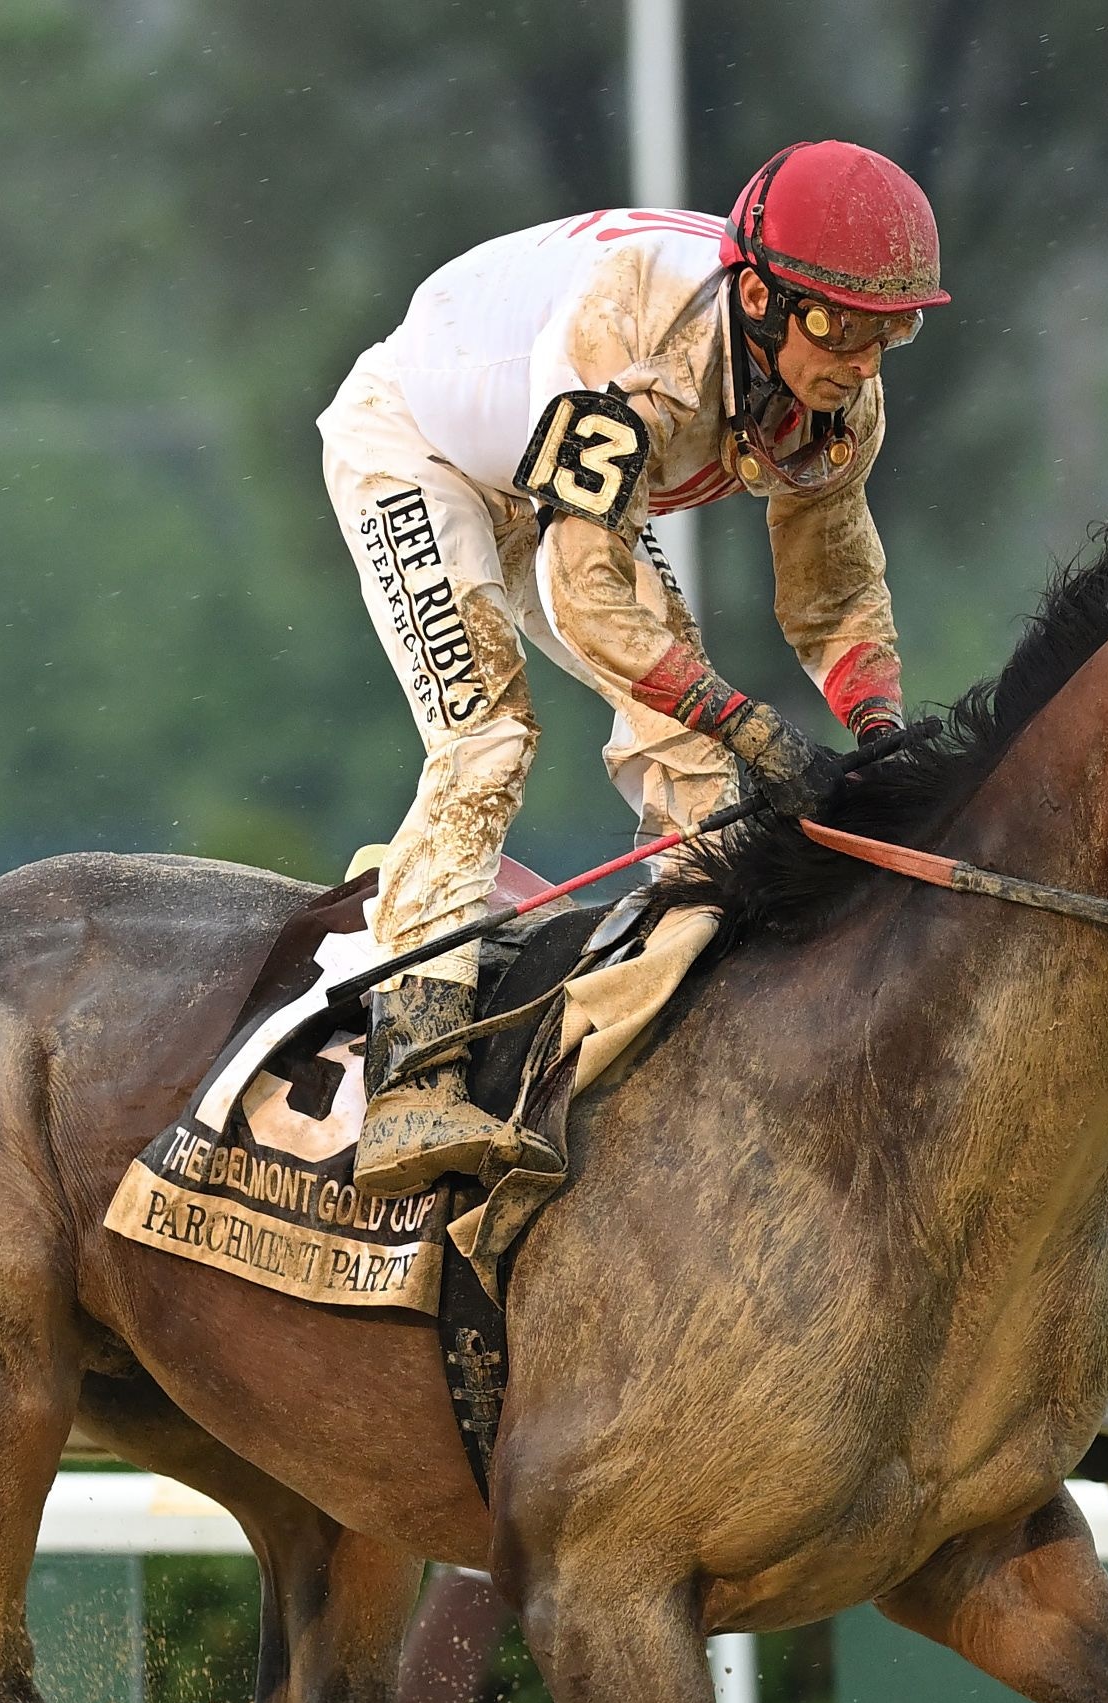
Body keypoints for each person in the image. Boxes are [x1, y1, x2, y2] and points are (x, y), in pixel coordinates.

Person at [321, 139, 950, 1194]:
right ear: (758, 297)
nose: (860, 362)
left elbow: (834, 595)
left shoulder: (844, 406)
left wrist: (881, 734)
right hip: (418, 450)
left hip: (559, 484)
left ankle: (677, 1029)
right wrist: (758, 726)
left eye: (893, 332)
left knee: (691, 744)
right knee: (489, 736)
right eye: (840, 326)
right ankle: (410, 1079)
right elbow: (586, 596)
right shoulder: (635, 329)